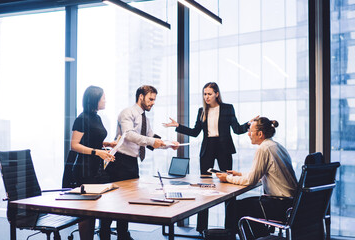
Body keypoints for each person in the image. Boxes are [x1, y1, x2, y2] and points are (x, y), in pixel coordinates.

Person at [163, 82, 257, 233]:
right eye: (205, 94)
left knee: (228, 186)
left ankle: (230, 228)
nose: (206, 97)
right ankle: (202, 228)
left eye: (209, 94)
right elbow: (195, 132)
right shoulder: (202, 110)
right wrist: (178, 126)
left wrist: (249, 124)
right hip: (208, 149)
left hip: (224, 148)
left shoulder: (227, 108)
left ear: (217, 94)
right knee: (204, 187)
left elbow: (237, 129)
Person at [105, 85, 179, 240]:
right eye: (150, 99)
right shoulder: (127, 113)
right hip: (119, 161)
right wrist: (153, 141)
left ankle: (123, 235)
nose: (152, 102)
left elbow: (151, 137)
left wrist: (168, 144)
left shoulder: (145, 117)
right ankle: (104, 235)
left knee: (126, 202)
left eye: (154, 100)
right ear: (141, 96)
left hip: (132, 162)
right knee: (112, 203)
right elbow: (129, 135)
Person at [216, 117, 298, 238]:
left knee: (234, 207)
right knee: (245, 206)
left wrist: (227, 178)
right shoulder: (276, 146)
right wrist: (239, 174)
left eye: (250, 131)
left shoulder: (263, 149)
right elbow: (262, 174)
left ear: (260, 134)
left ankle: (247, 237)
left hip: (280, 205)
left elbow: (251, 180)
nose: (248, 134)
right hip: (290, 203)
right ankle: (260, 236)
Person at [70, 86, 117, 240]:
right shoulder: (82, 118)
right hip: (85, 169)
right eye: (103, 97)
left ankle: (104, 235)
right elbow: (75, 145)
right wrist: (98, 152)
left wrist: (108, 144)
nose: (105, 100)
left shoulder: (97, 117)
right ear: (94, 100)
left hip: (97, 167)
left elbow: (93, 140)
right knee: (87, 211)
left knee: (104, 205)